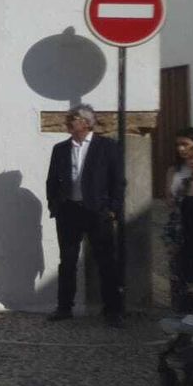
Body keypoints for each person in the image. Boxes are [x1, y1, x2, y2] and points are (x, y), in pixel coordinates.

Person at [45, 104, 126, 326]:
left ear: (87, 122)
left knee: (106, 261)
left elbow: (117, 181)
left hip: (97, 211)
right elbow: (52, 180)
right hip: (69, 211)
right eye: (69, 117)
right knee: (68, 261)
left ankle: (112, 310)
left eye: (74, 118)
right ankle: (64, 308)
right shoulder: (60, 149)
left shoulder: (107, 147)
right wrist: (55, 206)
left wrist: (113, 209)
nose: (69, 121)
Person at [163, 127, 193, 313]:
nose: (180, 149)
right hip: (181, 230)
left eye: (185, 144)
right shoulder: (176, 172)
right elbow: (170, 202)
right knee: (181, 279)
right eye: (178, 145)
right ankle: (184, 321)